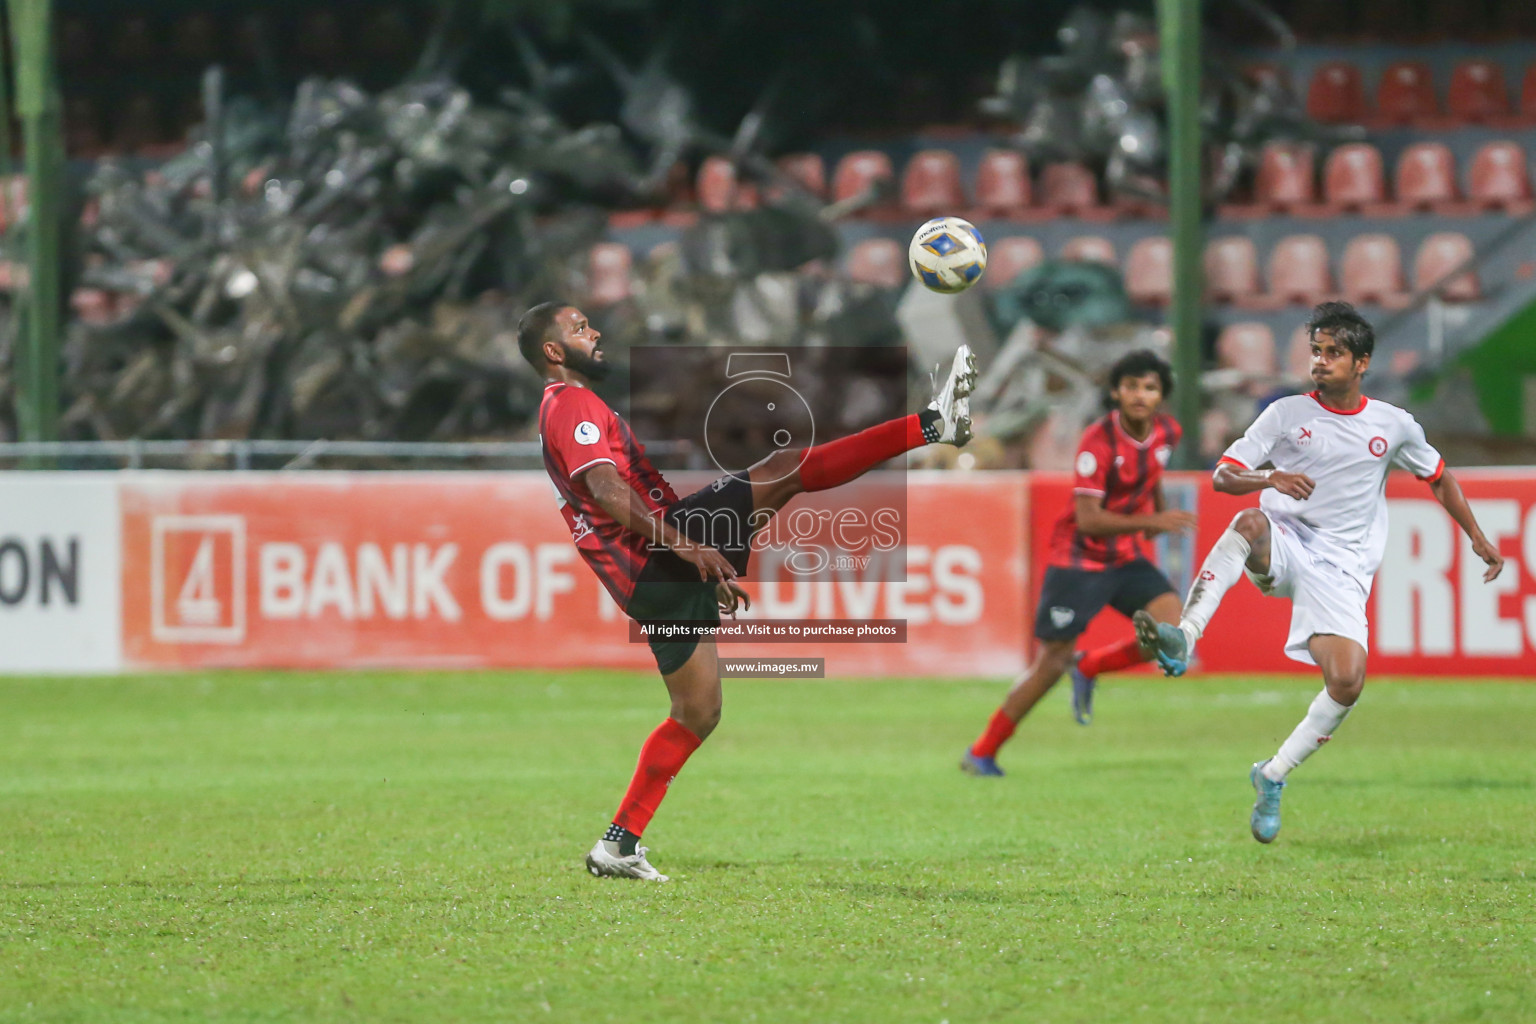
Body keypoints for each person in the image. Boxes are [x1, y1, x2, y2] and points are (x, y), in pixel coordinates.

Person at [522, 301, 977, 881]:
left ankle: (618, 845)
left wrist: (691, 564)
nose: (596, 331)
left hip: (646, 581)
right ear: (554, 351)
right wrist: (687, 547)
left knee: (698, 711)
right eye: (580, 328)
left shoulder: (558, 408)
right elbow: (609, 492)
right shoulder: (573, 404)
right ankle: (935, 424)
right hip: (660, 554)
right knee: (785, 468)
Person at [1136, 301, 1504, 843]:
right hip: (1286, 542)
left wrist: (1474, 534)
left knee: (1348, 680)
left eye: (1334, 353)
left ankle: (1273, 774)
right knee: (1248, 521)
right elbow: (1223, 477)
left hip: (1343, 568)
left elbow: (1439, 476)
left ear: (1362, 363)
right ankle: (1185, 636)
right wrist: (1270, 477)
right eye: (1316, 350)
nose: (1321, 361)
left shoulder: (1393, 424)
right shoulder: (1285, 414)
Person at [961, 350, 1197, 776]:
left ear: (1162, 395)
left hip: (1124, 557)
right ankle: (982, 751)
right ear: (1115, 392)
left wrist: (1153, 517)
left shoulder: (1167, 432)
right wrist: (1153, 519)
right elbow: (1088, 521)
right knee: (1051, 662)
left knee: (1172, 633)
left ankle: (1091, 665)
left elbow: (1153, 474)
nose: (1140, 395)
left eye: (1150, 387)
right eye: (1131, 386)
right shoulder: (1098, 441)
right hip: (1078, 561)